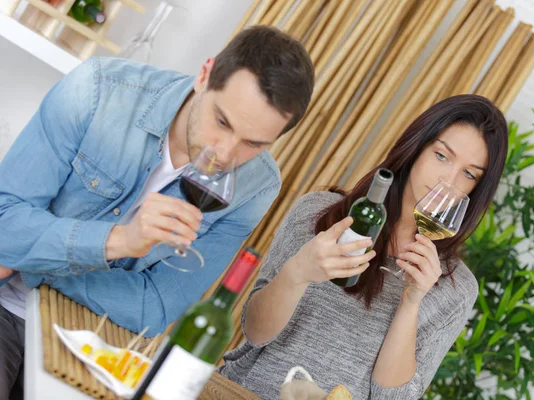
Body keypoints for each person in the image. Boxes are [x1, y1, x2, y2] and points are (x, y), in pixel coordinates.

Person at [0, 25, 314, 399]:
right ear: (204, 75)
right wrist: (117, 241)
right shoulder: (98, 90)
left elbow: (156, 309)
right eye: (222, 122)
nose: (226, 154)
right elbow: (6, 223)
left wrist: (33, 260)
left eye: (253, 143)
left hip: (96, 344)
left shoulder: (257, 186)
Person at [219, 94, 508, 400]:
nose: (447, 181)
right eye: (441, 156)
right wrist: (298, 272)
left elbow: (391, 397)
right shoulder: (320, 214)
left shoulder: (455, 289)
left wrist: (411, 302)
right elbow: (254, 331)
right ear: (417, 148)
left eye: (468, 174)